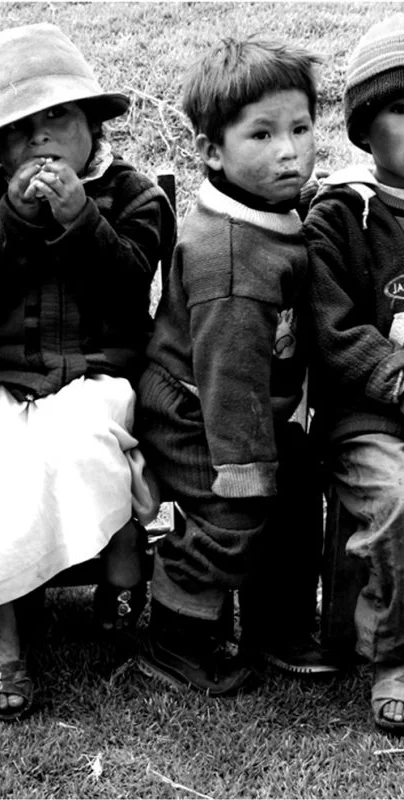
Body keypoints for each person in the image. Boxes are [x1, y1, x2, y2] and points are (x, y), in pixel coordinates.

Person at [0, 22, 174, 721]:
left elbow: (130, 284)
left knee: (83, 439)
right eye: (19, 131)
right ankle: (5, 638)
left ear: (92, 123)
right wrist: (17, 221)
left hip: (99, 374)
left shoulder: (136, 195)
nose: (40, 138)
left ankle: (117, 551)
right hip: (2, 377)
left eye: (58, 118)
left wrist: (81, 218)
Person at [136, 36, 340, 697]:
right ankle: (175, 638)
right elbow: (229, 377)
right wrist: (245, 470)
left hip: (243, 404)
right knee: (233, 516)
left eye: (301, 128)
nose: (290, 151)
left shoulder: (266, 206)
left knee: (297, 476)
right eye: (263, 134)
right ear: (212, 151)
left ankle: (276, 626)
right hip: (196, 412)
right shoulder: (230, 261)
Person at [303, 13, 404, 732]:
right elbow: (333, 333)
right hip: (368, 418)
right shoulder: (340, 216)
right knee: (400, 499)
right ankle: (395, 654)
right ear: (366, 129)